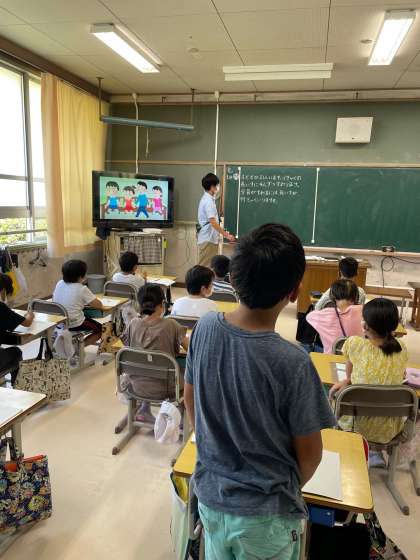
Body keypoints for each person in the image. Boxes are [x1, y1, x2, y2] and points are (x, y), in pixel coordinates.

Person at [184, 223, 336, 560]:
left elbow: (189, 400)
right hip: (266, 518)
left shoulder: (204, 328)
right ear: (295, 292)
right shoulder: (294, 362)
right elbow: (310, 455)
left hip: (210, 496)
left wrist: (215, 452)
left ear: (233, 279)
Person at [329, 298, 408, 466]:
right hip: (389, 429)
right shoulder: (401, 347)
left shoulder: (355, 344)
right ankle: (375, 454)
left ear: (365, 325)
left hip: (356, 426)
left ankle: (350, 450)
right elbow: (401, 375)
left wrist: (347, 381)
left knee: (332, 393)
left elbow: (349, 376)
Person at [122, 284, 189, 423]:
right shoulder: (171, 325)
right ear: (162, 304)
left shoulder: (133, 324)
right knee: (188, 374)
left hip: (136, 385)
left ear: (140, 304)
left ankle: (144, 409)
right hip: (167, 389)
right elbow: (191, 349)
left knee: (147, 364)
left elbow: (128, 348)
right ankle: (181, 418)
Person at [53, 260, 104, 346]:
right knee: (101, 330)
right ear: (81, 276)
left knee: (83, 313)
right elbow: (99, 305)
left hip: (59, 322)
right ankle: (79, 347)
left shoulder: (59, 283)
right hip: (75, 323)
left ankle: (76, 346)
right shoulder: (82, 289)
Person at [306, 279, 363, 354]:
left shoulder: (325, 314)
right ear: (356, 296)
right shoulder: (364, 310)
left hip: (331, 358)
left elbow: (309, 316)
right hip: (358, 358)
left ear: (332, 297)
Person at [0, 274, 34, 384]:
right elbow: (27, 322)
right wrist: (30, 315)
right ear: (3, 290)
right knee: (16, 352)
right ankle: (18, 386)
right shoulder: (1, 308)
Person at [197, 173, 235, 267]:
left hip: (210, 238)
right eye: (216, 185)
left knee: (208, 267)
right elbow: (213, 222)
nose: (218, 187)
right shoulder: (208, 201)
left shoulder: (209, 199)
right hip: (208, 238)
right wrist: (227, 235)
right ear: (212, 187)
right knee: (204, 267)